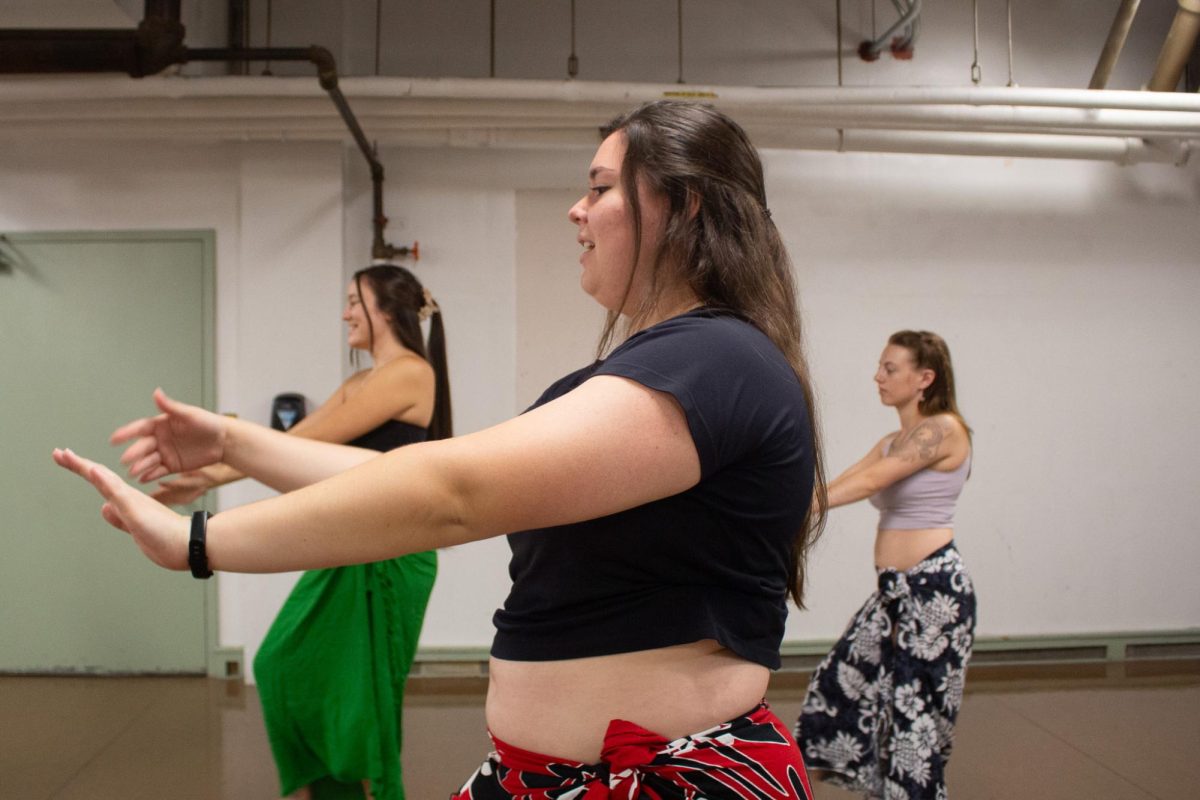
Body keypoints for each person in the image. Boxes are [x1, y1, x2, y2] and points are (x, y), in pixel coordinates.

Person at [53, 100, 825, 799]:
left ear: (681, 204)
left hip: (662, 780)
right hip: (545, 776)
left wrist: (201, 541)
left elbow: (452, 492)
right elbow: (410, 476)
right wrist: (233, 442)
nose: (576, 210)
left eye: (599, 188)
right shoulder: (667, 366)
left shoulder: (718, 359)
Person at [157, 264, 451, 800]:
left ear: (387, 310)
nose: (344, 314)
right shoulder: (363, 379)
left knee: (366, 704)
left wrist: (220, 451)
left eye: (353, 302)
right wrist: (205, 475)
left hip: (389, 555)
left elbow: (310, 437)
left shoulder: (410, 372)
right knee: (282, 665)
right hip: (349, 544)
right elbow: (300, 446)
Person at [795, 330, 975, 800]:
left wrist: (799, 509)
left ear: (925, 378)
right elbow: (844, 481)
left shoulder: (944, 429)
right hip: (894, 593)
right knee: (840, 687)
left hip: (934, 591)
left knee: (914, 726)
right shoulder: (892, 440)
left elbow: (876, 480)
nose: (878, 377)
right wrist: (789, 502)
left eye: (890, 369)